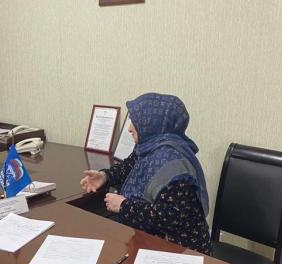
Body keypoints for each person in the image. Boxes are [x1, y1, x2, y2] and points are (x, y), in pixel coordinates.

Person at [80, 93, 211, 253]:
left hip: (179, 250)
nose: (129, 129)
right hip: (151, 240)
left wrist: (124, 206)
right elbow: (128, 166)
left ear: (153, 124)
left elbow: (167, 217)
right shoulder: (150, 145)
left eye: (135, 122)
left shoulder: (173, 165)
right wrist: (105, 176)